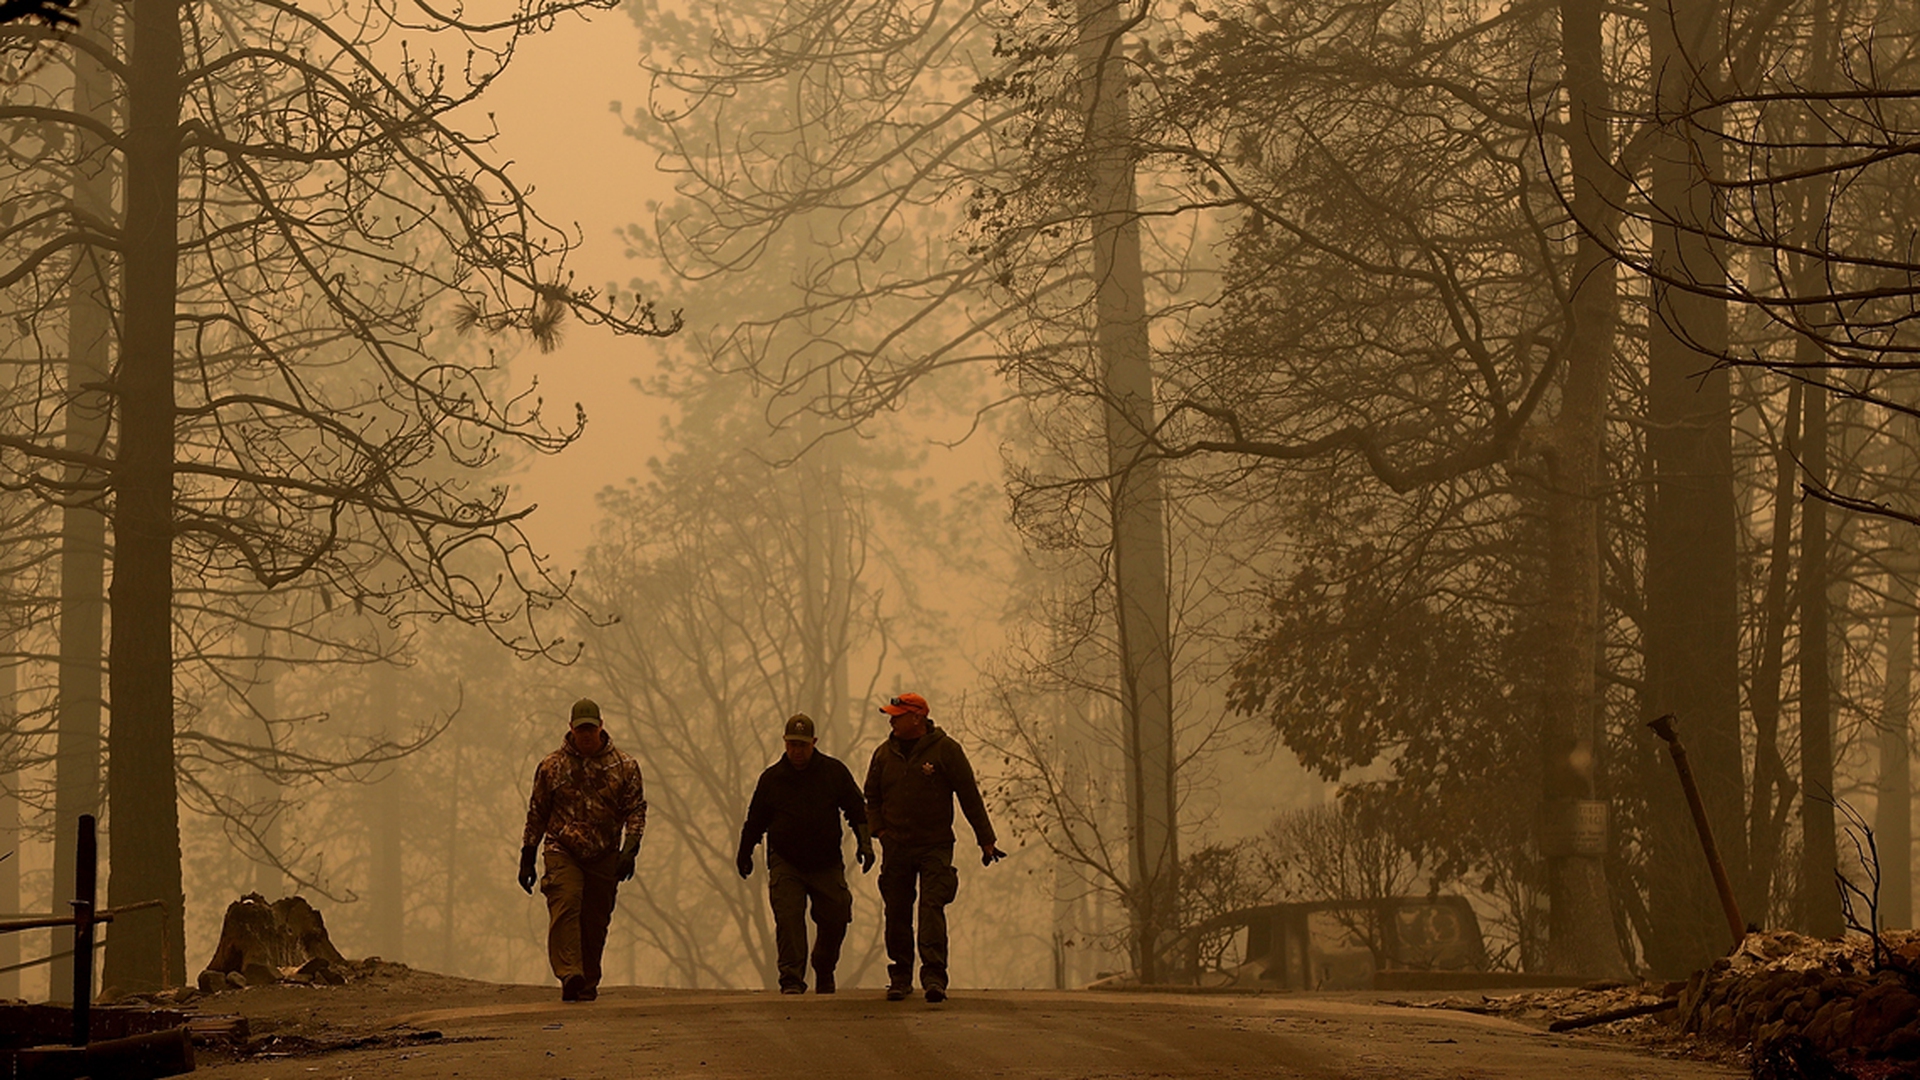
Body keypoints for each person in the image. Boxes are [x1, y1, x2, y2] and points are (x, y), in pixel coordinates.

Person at [863, 692, 1005, 1003]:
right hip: (896, 846)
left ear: (917, 717)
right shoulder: (883, 754)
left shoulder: (946, 751)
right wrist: (880, 831)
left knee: (931, 908)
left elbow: (969, 796)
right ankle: (900, 977)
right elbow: (871, 796)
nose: (891, 721)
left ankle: (934, 978)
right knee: (897, 911)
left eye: (896, 716)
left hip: (935, 846)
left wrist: (986, 840)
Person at [519, 697, 647, 1002]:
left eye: (591, 728)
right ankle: (570, 972)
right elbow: (537, 812)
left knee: (595, 919)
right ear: (571, 729)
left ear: (601, 726)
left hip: (604, 851)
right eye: (581, 729)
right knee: (566, 901)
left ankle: (587, 981)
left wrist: (630, 849)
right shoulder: (551, 766)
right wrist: (527, 855)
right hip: (562, 848)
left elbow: (636, 810)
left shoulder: (625, 766)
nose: (586, 735)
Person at [735, 713, 874, 995]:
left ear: (814, 742)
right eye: (792, 745)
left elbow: (856, 809)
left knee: (837, 915)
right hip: (786, 861)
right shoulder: (772, 779)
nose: (797, 751)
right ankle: (791, 979)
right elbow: (755, 820)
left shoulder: (834, 772)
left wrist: (865, 843)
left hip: (826, 862)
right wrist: (745, 851)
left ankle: (824, 966)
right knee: (788, 918)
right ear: (784, 744)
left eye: (803, 745)